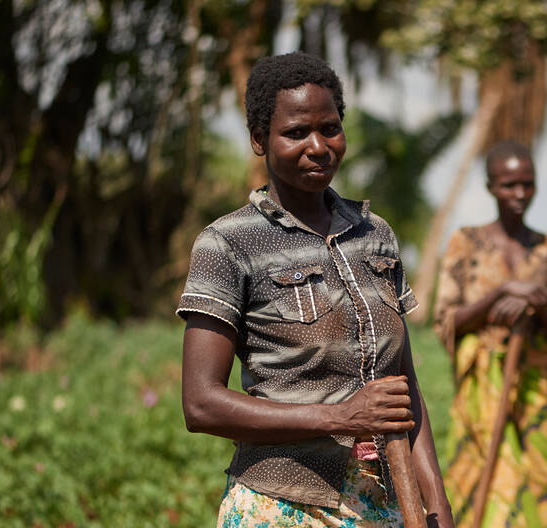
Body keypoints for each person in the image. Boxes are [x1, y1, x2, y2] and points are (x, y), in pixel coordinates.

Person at [177, 52, 453, 527]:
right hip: (282, 504)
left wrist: (437, 505)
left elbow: (404, 388)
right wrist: (341, 417)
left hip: (385, 501)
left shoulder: (375, 235)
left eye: (330, 127)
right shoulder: (227, 244)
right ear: (259, 140)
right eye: (296, 132)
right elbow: (201, 404)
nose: (319, 146)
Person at [433, 141, 547, 527]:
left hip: (537, 395)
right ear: (490, 188)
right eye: (508, 185)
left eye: (527, 184)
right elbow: (446, 321)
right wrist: (500, 294)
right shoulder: (466, 243)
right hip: (481, 395)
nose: (519, 194)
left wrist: (537, 305)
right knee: (480, 486)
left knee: (541, 486)